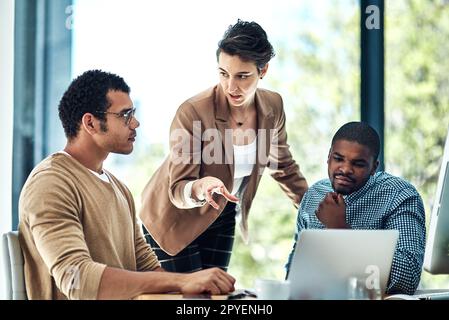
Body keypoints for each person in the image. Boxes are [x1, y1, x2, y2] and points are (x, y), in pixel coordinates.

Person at [18, 70, 235, 300]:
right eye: (125, 115)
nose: (135, 123)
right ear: (90, 123)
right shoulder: (51, 183)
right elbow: (76, 279)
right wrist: (183, 281)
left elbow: (149, 269)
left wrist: (196, 289)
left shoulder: (119, 188)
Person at [140, 19, 308, 272]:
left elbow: (283, 166)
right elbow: (177, 189)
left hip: (222, 211)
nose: (231, 86)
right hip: (173, 219)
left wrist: (314, 210)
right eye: (223, 74)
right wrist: (200, 186)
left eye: (242, 76)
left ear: (263, 71)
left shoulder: (273, 106)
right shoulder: (194, 111)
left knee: (217, 295)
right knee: (189, 301)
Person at [285, 121, 426, 295]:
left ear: (374, 167)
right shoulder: (314, 194)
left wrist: (339, 229)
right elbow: (296, 264)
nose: (345, 169)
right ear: (328, 156)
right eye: (338, 159)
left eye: (358, 164)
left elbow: (407, 277)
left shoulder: (399, 195)